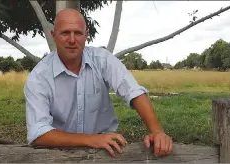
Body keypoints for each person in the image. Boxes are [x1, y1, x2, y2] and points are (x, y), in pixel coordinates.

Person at [24, 8, 173, 157]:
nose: (71, 40)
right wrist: (91, 140)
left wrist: (157, 131)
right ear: (54, 35)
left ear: (86, 35)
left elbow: (133, 91)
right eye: (65, 33)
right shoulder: (39, 78)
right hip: (59, 152)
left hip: (105, 149)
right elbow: (38, 133)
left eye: (78, 33)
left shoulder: (102, 60)